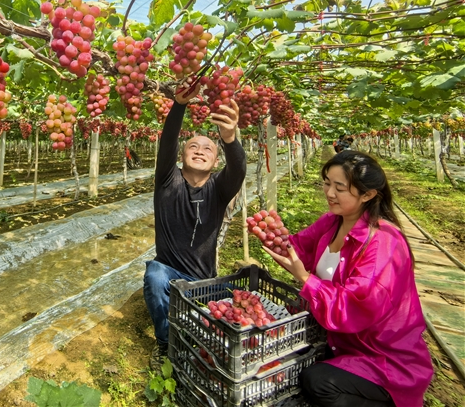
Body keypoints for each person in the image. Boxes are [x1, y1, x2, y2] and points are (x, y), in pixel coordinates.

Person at [263, 150, 433, 407]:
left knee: (318, 381)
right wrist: (270, 234)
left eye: (339, 188)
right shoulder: (332, 222)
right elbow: (298, 248)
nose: (329, 193)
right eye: (327, 183)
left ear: (368, 194)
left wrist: (304, 277)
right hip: (340, 339)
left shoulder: (383, 243)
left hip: (380, 354)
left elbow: (355, 303)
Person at [143, 82, 247, 370]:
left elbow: (238, 169)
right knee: (155, 274)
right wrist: (179, 105)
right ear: (182, 155)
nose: (200, 151)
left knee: (242, 306)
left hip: (205, 283)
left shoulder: (219, 189)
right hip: (171, 279)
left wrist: (229, 138)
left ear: (215, 161)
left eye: (208, 149)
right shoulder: (167, 181)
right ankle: (166, 344)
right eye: (193, 146)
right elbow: (167, 142)